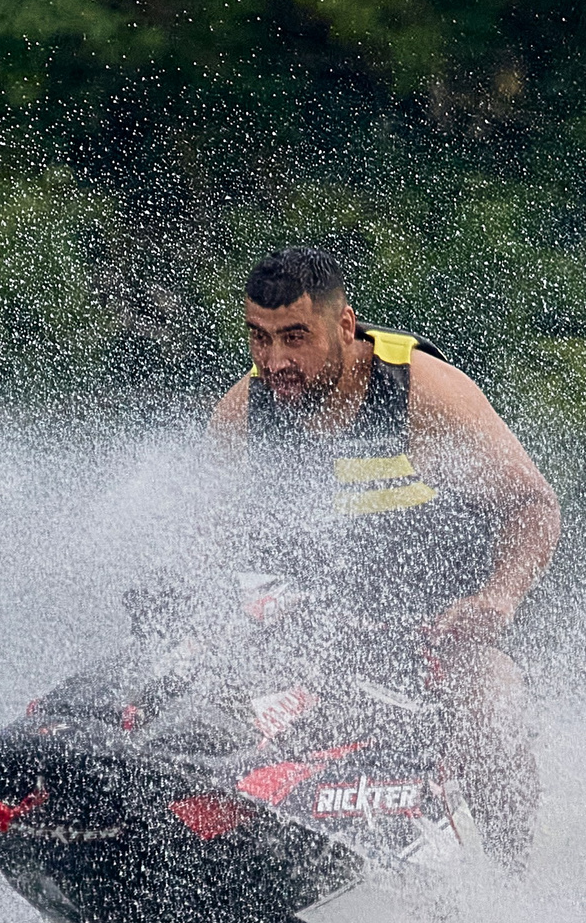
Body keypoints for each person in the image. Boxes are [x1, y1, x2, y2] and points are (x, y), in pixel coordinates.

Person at [207, 246, 560, 869]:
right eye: (259, 340)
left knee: (490, 709)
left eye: (296, 337)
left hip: (451, 635)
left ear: (344, 327)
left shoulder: (423, 395)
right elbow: (220, 552)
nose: (277, 361)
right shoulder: (243, 415)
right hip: (320, 641)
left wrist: (498, 597)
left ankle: (513, 890)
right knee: (210, 682)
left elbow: (533, 505)